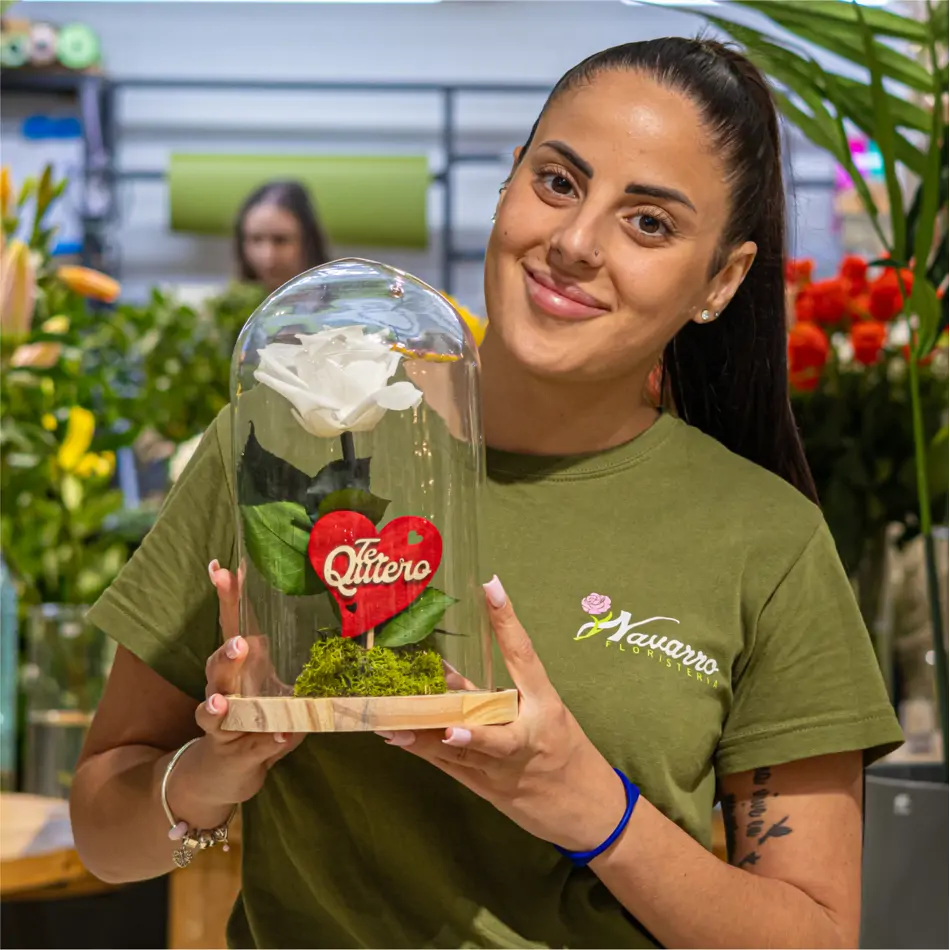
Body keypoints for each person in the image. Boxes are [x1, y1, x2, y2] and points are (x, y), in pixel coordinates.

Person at [70, 39, 902, 949]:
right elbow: (105, 833)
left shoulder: (766, 540)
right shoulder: (287, 444)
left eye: (650, 224)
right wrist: (211, 773)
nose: (577, 244)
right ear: (509, 182)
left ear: (723, 279)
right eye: (557, 182)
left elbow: (814, 936)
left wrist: (589, 806)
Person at [234, 180, 331, 293]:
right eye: (256, 239)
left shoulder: (343, 305)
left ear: (309, 241)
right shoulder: (230, 305)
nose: (268, 257)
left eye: (281, 240)